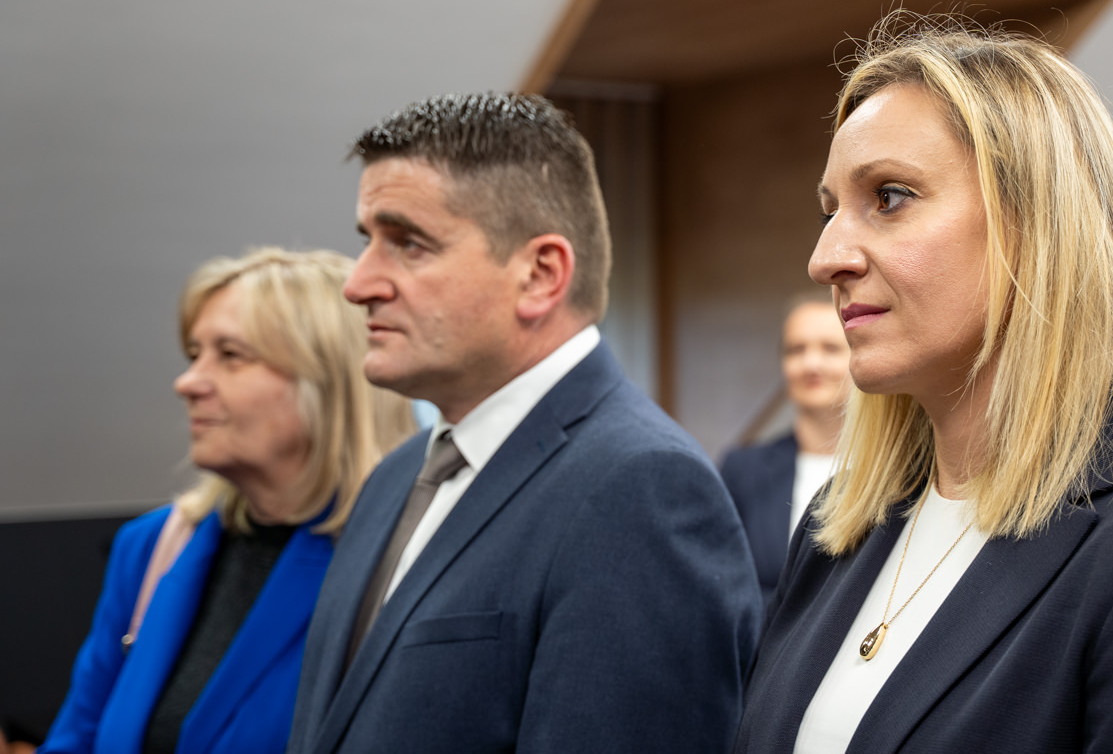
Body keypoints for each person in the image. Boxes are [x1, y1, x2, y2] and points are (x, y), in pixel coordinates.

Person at [732, 22, 1113, 753]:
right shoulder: (843, 521)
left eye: (889, 197)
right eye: (830, 211)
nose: (826, 258)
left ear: (1036, 224)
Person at [286, 92, 762, 754]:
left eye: (409, 244)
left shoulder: (642, 489)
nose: (358, 284)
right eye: (368, 242)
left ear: (540, 275)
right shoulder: (396, 477)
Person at [39, 248, 415, 754]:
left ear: (329, 381)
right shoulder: (153, 547)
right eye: (195, 354)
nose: (187, 382)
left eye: (231, 355)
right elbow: (77, 740)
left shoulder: (405, 559)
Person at [722, 294, 850, 598]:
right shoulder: (743, 470)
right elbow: (728, 584)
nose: (811, 364)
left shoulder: (901, 470)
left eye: (830, 348)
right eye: (796, 350)